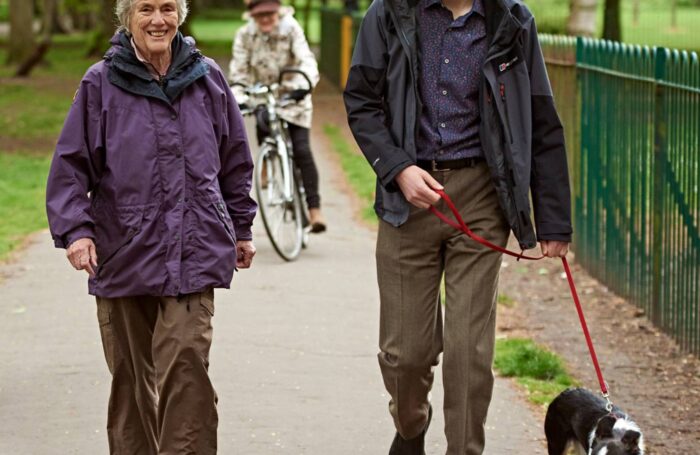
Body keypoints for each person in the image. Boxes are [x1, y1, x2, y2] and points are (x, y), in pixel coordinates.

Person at [344, 0, 572, 453]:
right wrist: (398, 169)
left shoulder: (511, 19)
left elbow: (542, 120)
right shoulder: (388, 13)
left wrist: (554, 221)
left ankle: (464, 449)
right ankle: (410, 428)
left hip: (483, 198)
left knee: (469, 353)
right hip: (408, 200)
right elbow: (362, 102)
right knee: (406, 354)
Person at [45, 0, 257, 453]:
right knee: (131, 377)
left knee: (186, 363)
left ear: (180, 14)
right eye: (145, 8)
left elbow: (235, 160)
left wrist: (242, 227)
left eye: (167, 8)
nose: (158, 20)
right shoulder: (99, 83)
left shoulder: (208, 78)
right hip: (122, 249)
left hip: (194, 246)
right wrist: (77, 231)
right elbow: (70, 165)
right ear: (126, 17)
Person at [229, 0, 326, 233]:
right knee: (263, 122)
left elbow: (306, 59)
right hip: (263, 95)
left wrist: (304, 85)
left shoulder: (290, 28)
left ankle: (315, 211)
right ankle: (267, 160)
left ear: (278, 11)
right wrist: (238, 97)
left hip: (293, 96)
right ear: (251, 15)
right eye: (259, 15)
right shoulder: (245, 35)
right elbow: (238, 71)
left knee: (302, 149)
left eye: (269, 14)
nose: (265, 19)